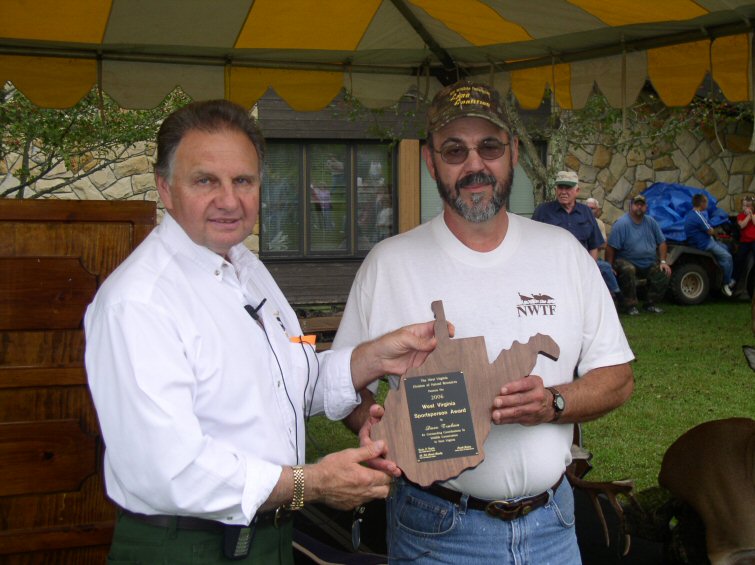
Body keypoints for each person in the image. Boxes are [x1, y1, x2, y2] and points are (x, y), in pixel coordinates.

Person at [84, 100, 441, 564]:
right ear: (165, 189)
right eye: (205, 180)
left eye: (243, 181)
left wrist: (373, 357)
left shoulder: (247, 270)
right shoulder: (139, 302)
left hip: (268, 540)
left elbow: (295, 378)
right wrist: (311, 483)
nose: (229, 200)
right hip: (186, 547)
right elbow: (170, 470)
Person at [334, 80, 634, 565]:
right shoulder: (389, 264)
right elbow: (342, 382)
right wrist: (368, 426)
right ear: (431, 162)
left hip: (552, 527)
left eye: (489, 146)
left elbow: (617, 377)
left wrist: (554, 402)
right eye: (455, 150)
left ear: (513, 153)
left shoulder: (563, 254)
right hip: (435, 529)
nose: (474, 164)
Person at [532, 171, 623, 304]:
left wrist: (591, 269)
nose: (563, 191)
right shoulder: (543, 211)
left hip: (581, 271)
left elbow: (593, 245)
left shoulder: (586, 212)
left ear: (577, 190)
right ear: (556, 189)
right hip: (553, 270)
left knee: (581, 305)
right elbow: (533, 244)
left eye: (567, 188)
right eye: (560, 187)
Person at [605, 194, 671, 315]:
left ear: (646, 207)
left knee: (663, 272)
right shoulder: (621, 223)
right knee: (628, 269)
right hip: (626, 261)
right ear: (631, 206)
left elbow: (662, 242)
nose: (639, 207)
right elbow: (610, 247)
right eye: (636, 204)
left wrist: (663, 262)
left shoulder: (652, 222)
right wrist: (609, 266)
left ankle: (651, 304)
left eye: (642, 205)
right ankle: (630, 306)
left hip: (649, 262)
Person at [684, 193, 735, 297]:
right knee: (727, 257)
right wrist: (717, 232)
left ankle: (723, 273)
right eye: (706, 202)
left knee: (725, 248)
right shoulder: (698, 215)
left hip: (699, 242)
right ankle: (726, 284)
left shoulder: (690, 214)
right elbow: (710, 231)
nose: (707, 204)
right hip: (705, 244)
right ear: (702, 203)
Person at [733, 196, 755, 296]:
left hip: (754, 241)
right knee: (739, 260)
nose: (745, 208)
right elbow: (742, 225)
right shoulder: (740, 216)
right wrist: (748, 217)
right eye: (744, 206)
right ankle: (734, 284)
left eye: (748, 206)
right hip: (744, 242)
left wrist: (751, 215)